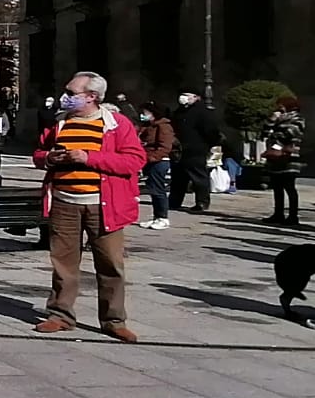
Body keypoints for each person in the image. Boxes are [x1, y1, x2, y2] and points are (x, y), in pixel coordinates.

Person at [33, 72, 146, 344]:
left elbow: (134, 160)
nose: (66, 96)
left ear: (91, 96)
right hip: (64, 202)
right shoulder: (60, 123)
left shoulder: (116, 124)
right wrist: (49, 157)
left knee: (110, 264)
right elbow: (38, 154)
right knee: (63, 263)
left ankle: (113, 320)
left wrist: (90, 158)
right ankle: (60, 315)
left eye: (72, 93)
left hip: (102, 204)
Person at [170, 90, 220, 213]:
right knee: (178, 177)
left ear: (196, 97)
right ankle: (174, 201)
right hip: (179, 150)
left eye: (187, 95)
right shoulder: (179, 111)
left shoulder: (202, 112)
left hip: (196, 149)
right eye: (182, 95)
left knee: (199, 177)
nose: (183, 98)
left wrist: (209, 145)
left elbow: (211, 131)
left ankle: (201, 202)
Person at [263, 97, 306, 227]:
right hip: (275, 157)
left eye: (281, 106)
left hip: (289, 158)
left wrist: (274, 134)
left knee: (289, 187)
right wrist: (271, 120)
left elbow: (286, 134)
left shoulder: (298, 120)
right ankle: (278, 213)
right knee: (277, 187)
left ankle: (293, 216)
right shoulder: (278, 119)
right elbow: (265, 132)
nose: (279, 108)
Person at [136, 102, 177, 230]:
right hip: (149, 160)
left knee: (158, 189)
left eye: (145, 112)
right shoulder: (148, 126)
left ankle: (163, 217)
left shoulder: (163, 126)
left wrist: (153, 157)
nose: (143, 115)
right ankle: (156, 217)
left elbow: (165, 146)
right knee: (153, 189)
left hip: (159, 161)